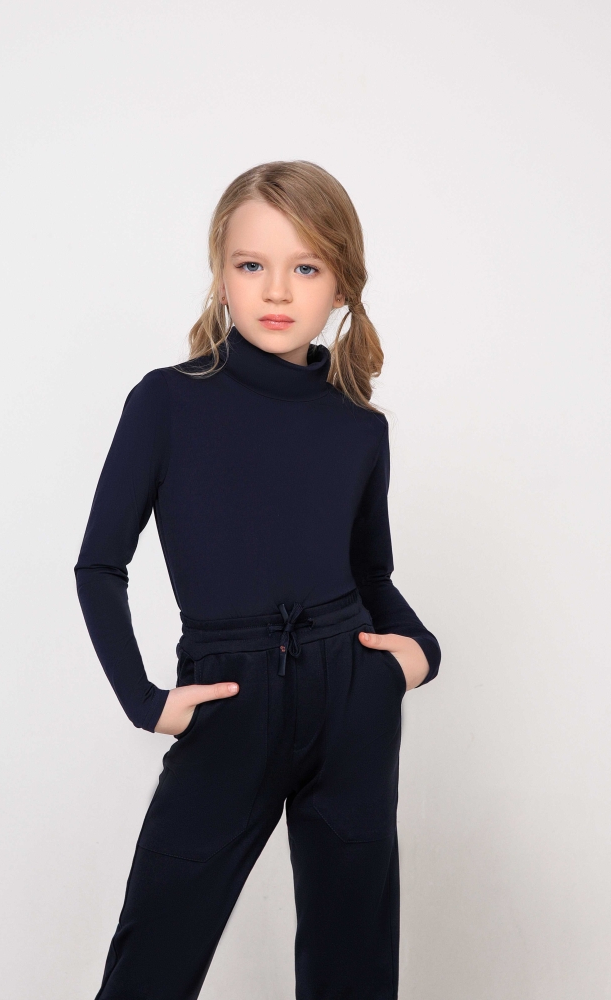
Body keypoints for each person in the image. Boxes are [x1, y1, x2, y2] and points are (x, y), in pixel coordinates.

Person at [74, 159, 441, 1000]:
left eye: (305, 267)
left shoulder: (358, 427)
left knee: (353, 973)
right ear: (220, 274)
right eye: (252, 264)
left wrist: (417, 654)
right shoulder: (166, 402)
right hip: (227, 704)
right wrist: (143, 700)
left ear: (341, 284)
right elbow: (99, 565)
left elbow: (370, 572)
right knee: (151, 966)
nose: (277, 290)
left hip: (350, 704)